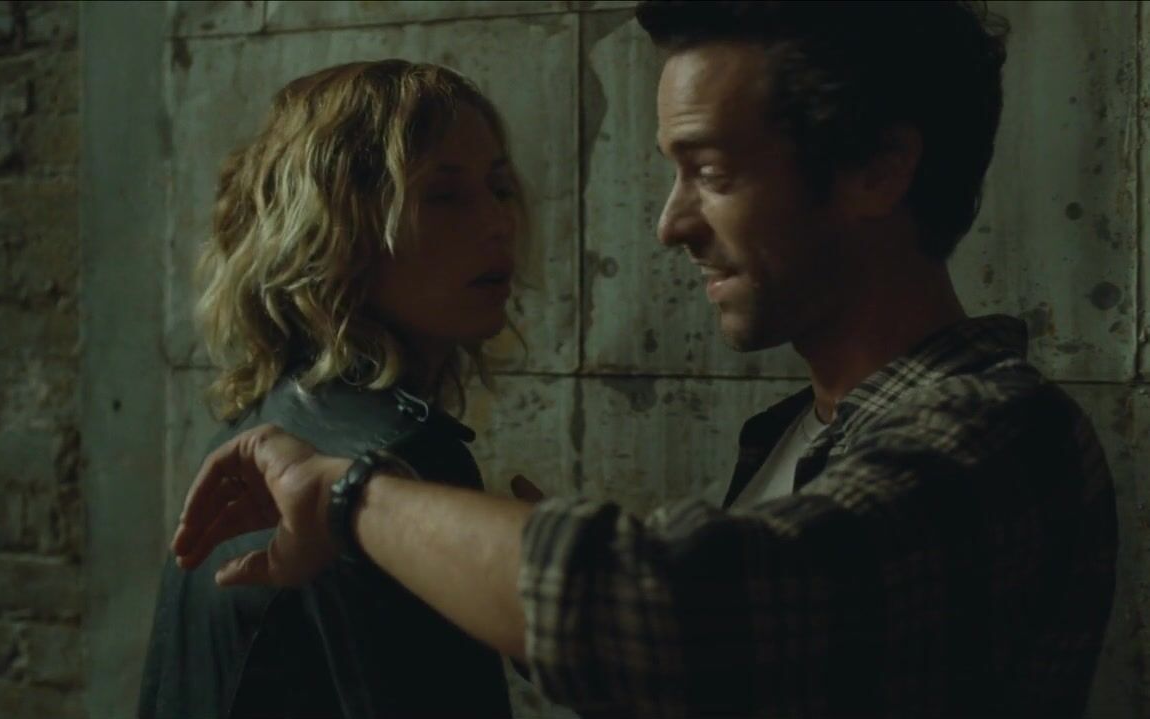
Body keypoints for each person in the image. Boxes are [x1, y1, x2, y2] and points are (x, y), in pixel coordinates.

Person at [172, 2, 1119, 717]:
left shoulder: (1006, 435)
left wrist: (351, 497)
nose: (669, 223)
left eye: (710, 171)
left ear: (877, 168)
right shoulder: (796, 434)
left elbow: (683, 623)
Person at [140, 59, 529, 719]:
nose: (498, 222)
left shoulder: (272, 421)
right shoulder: (396, 463)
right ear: (338, 232)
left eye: (499, 187)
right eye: (444, 196)